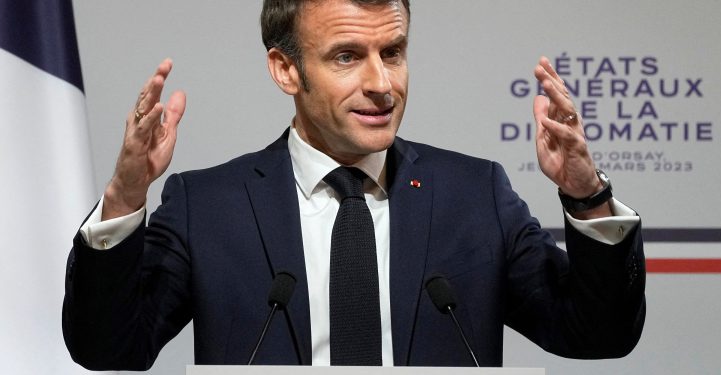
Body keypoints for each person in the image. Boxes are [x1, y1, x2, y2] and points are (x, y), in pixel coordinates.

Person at [63, 0, 645, 370]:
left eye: (393, 52)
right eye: (347, 56)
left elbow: (597, 334)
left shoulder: (476, 196)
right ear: (286, 70)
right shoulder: (208, 206)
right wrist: (123, 199)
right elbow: (111, 349)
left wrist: (587, 195)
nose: (382, 84)